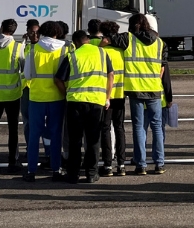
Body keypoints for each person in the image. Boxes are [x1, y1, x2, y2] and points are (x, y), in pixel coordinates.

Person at [102, 14, 167, 176]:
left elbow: (110, 38)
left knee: (139, 127)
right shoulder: (160, 43)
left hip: (135, 89)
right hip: (154, 88)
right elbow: (162, 66)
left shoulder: (128, 39)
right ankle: (159, 163)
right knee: (157, 127)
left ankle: (141, 165)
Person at [55, 30, 114, 184]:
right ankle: (91, 173)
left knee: (75, 140)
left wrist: (66, 94)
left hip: (75, 102)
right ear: (87, 40)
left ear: (75, 42)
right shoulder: (102, 53)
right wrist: (107, 97)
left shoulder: (72, 55)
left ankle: (73, 175)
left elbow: (58, 79)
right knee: (93, 139)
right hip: (96, 102)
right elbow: (111, 75)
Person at [23, 21, 70, 182]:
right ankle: (56, 169)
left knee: (34, 135)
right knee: (56, 134)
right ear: (57, 32)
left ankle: (31, 171)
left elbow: (28, 75)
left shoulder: (34, 49)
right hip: (57, 97)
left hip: (36, 97)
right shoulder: (65, 49)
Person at [0, 19, 25, 172]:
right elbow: (23, 68)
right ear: (14, 31)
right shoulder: (18, 47)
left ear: (1, 27)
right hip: (13, 93)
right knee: (13, 128)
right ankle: (12, 161)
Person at [98, 21, 128, 176]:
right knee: (120, 128)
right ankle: (121, 165)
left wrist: (100, 46)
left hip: (106, 95)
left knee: (105, 129)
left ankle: (108, 164)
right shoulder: (122, 51)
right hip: (120, 94)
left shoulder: (102, 51)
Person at [21, 19, 40, 149]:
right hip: (26, 88)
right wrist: (23, 42)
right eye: (32, 32)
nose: (35, 35)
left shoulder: (43, 48)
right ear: (27, 32)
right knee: (27, 120)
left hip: (40, 88)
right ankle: (30, 146)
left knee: (42, 121)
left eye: (37, 33)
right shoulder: (23, 47)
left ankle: (47, 150)